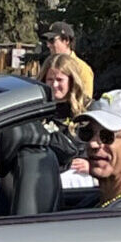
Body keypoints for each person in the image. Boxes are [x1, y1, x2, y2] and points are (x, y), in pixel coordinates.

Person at [40, 52, 92, 183]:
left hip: (76, 178)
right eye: (50, 80)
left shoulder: (88, 111)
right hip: (43, 173)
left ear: (72, 81)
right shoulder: (37, 111)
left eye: (59, 80)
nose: (54, 85)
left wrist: (90, 164)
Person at [43, 21, 94, 98]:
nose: (48, 45)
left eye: (52, 40)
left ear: (66, 40)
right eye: (47, 41)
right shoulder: (48, 64)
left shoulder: (82, 69)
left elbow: (86, 102)